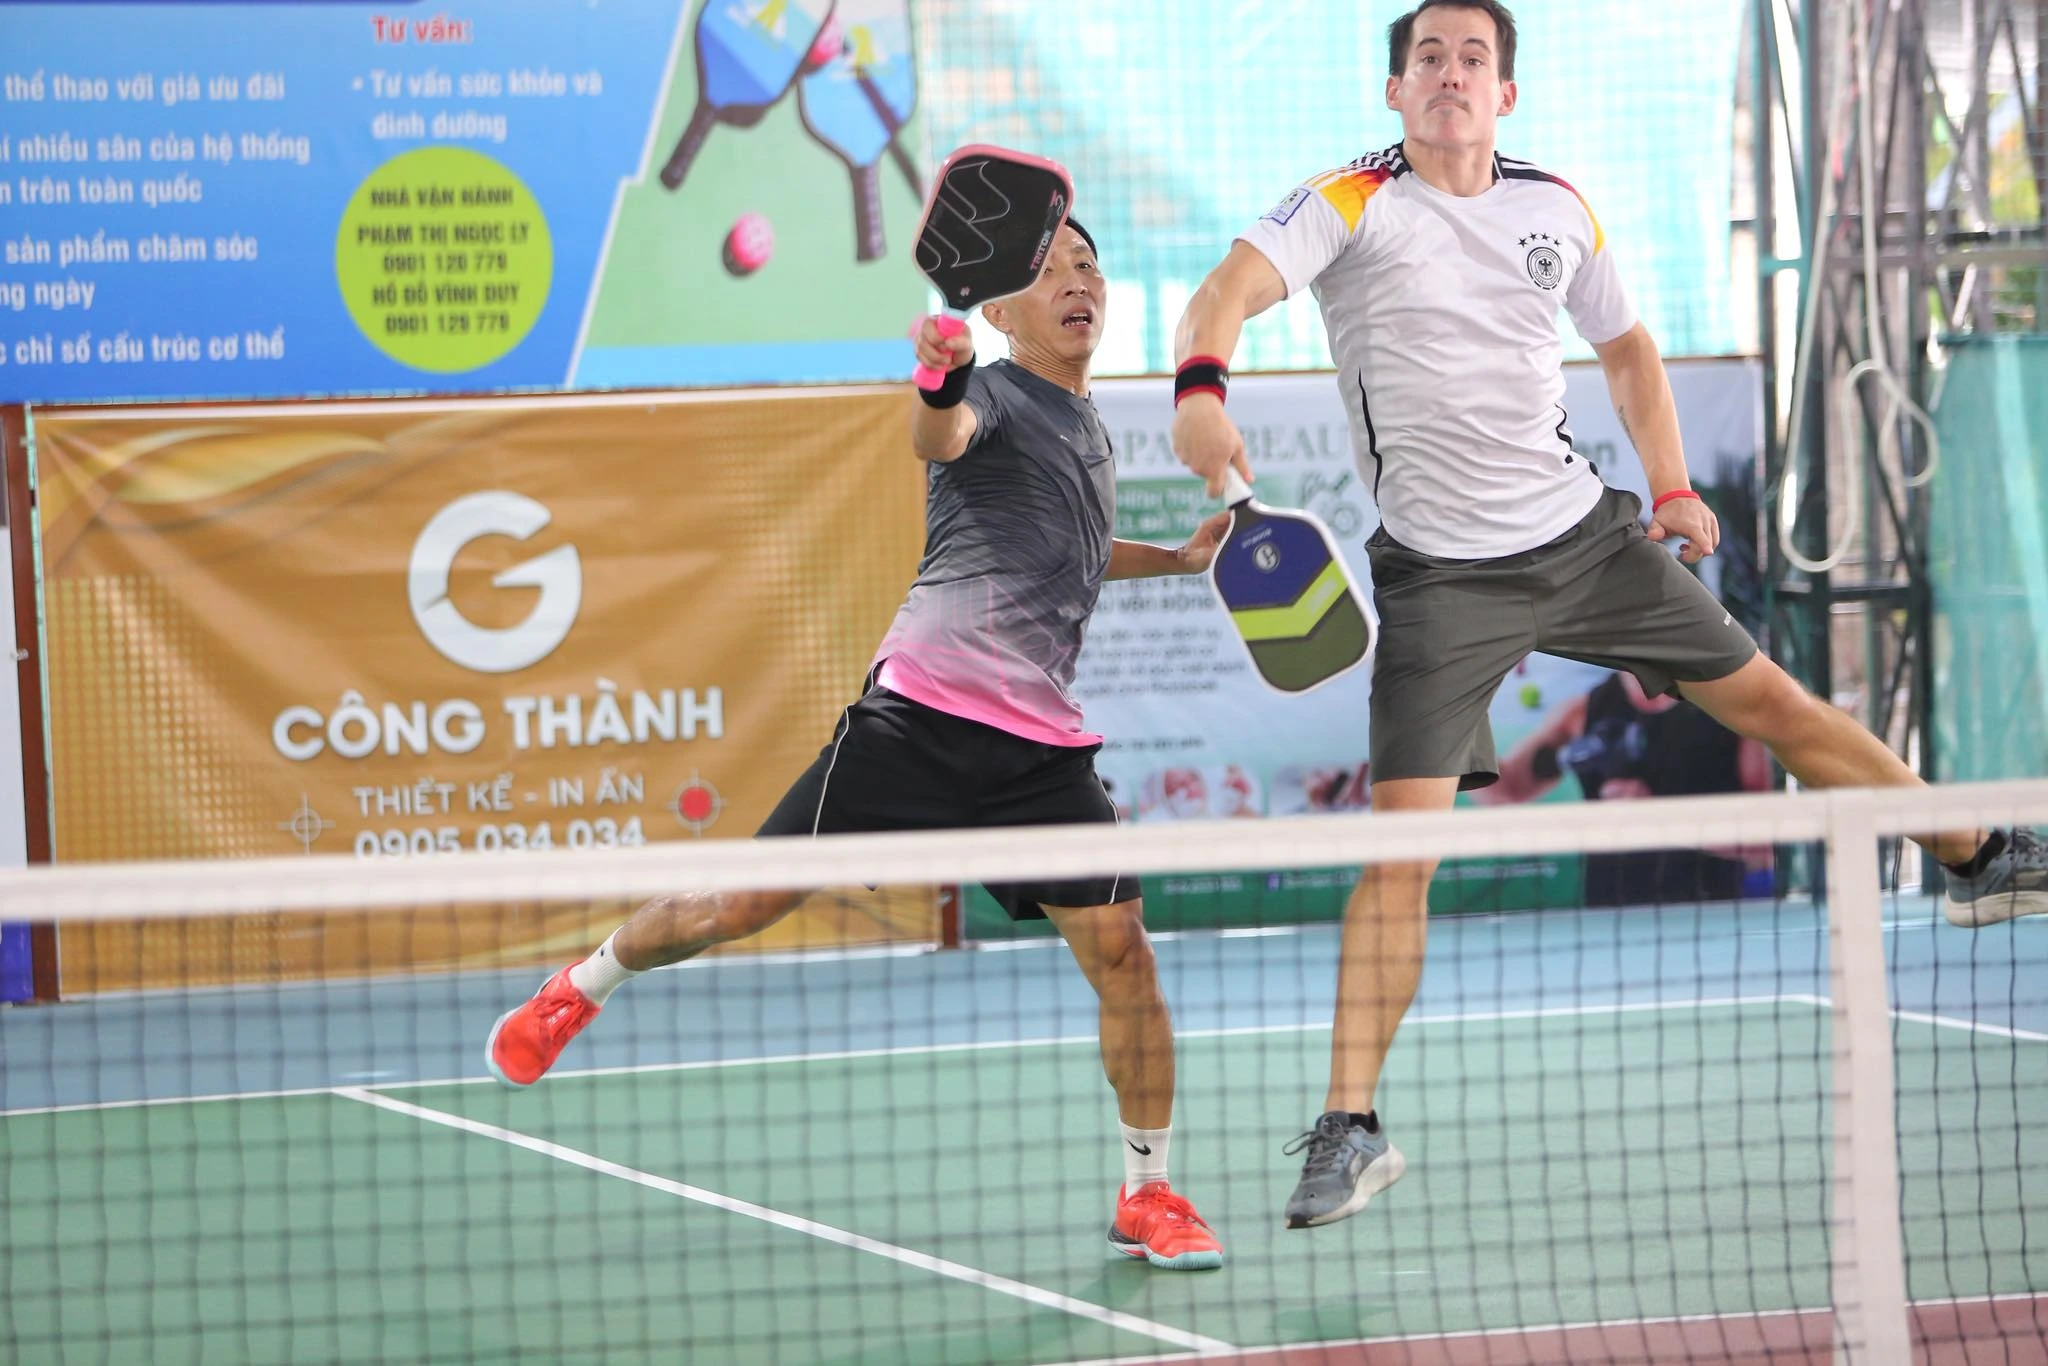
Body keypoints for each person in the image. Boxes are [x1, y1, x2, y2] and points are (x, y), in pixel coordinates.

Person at [1167, 0, 2048, 1231]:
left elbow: (1629, 353)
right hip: (1437, 576)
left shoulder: (1556, 209)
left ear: (1504, 95)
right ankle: (1351, 1128)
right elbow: (1224, 290)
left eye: (1472, 59)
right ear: (1393, 90)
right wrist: (1199, 388)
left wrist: (1674, 484)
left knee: (1775, 704)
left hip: (1582, 536)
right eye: (1426, 58)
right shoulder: (1346, 203)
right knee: (1397, 854)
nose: (1449, 75)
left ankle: (1970, 858)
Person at [488, 218, 1230, 1270]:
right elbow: (938, 438)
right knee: (737, 903)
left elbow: (1071, 548)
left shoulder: (1090, 427)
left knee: (1124, 955)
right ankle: (584, 983)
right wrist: (936, 382)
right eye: (1053, 267)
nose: (1081, 281)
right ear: (999, 312)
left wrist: (1178, 561)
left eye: (1090, 264)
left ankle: (1148, 1190)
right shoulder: (992, 394)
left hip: (1040, 752)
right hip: (918, 719)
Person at [1476, 669, 1774, 905]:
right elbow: (1509, 788)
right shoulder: (1583, 713)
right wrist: (1449, 727)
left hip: (1706, 915)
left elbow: (1768, 841)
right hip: (1610, 922)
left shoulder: (1729, 709)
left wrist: (1659, 818)